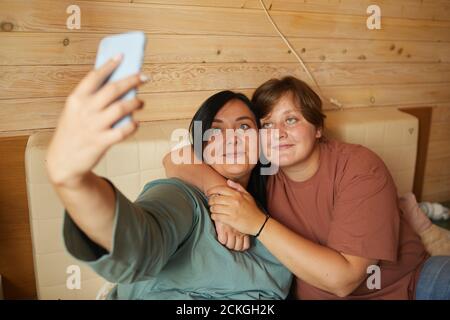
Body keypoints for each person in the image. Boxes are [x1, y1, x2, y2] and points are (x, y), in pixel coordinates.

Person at [163, 76, 450, 300]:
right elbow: (176, 157)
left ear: (318, 128)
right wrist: (218, 192)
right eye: (267, 124)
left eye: (291, 119)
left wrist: (257, 224)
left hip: (411, 284)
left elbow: (344, 280)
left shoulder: (359, 165)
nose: (279, 133)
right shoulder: (262, 170)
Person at [46, 56, 292, 299]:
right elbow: (139, 246)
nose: (231, 137)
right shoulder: (183, 197)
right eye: (215, 130)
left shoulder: (273, 209)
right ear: (199, 147)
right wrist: (75, 182)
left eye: (244, 127)